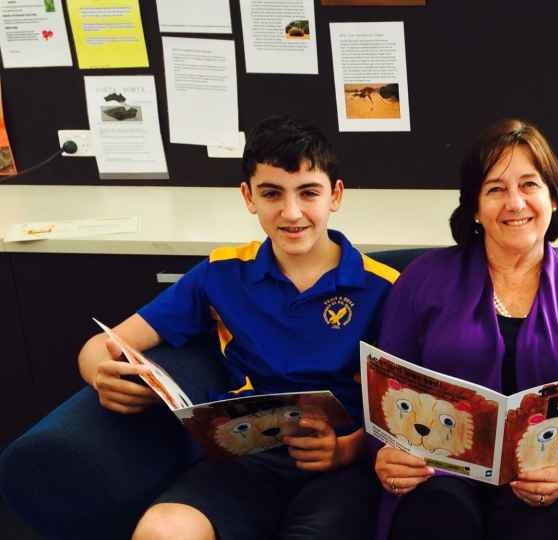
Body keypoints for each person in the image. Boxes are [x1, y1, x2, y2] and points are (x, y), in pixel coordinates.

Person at [77, 115, 398, 540]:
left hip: (340, 466)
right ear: (248, 196)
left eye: (308, 192)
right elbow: (102, 345)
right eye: (271, 193)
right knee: (162, 529)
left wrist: (346, 450)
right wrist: (99, 374)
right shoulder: (220, 273)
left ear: (335, 195)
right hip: (246, 456)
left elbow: (405, 407)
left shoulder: (386, 287)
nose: (291, 213)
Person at [372, 118, 558, 540]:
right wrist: (384, 454)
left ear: (553, 198)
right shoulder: (421, 280)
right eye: (495, 189)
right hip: (438, 476)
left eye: (529, 185)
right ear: (474, 207)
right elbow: (381, 397)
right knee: (437, 519)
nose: (515, 202)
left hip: (549, 485)